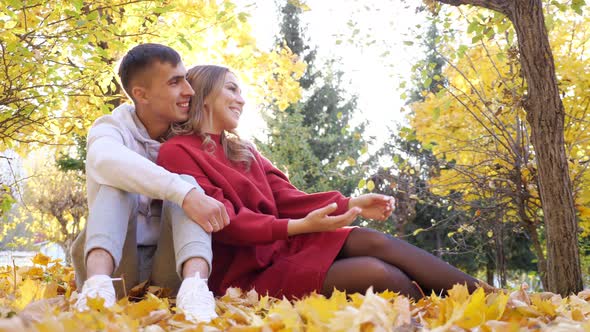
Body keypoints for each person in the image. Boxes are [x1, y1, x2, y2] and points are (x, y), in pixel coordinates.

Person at [156, 65, 483, 300]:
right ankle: (448, 313)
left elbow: (288, 198)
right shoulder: (177, 152)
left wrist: (351, 203)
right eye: (231, 88)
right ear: (204, 95)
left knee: (373, 240)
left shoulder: (243, 151)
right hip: (242, 275)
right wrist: (297, 228)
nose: (241, 99)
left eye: (240, 91)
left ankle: (495, 299)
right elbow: (224, 222)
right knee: (380, 273)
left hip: (284, 250)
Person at [70, 44, 230, 322]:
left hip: (168, 268)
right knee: (119, 181)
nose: (189, 91)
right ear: (140, 94)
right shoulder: (111, 127)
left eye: (186, 80)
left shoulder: (188, 138)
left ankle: (195, 288)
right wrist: (183, 193)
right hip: (116, 267)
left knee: (188, 182)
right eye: (174, 82)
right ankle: (96, 289)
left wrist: (186, 191)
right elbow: (103, 159)